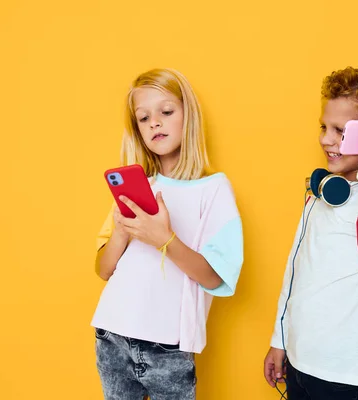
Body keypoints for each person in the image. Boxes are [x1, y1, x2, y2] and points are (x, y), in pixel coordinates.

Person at [92, 68, 244, 400]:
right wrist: (121, 232)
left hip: (167, 346)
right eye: (143, 118)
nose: (154, 123)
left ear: (187, 115)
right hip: (111, 334)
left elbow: (217, 277)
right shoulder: (137, 186)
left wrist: (164, 239)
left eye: (166, 112)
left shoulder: (214, 188)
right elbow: (103, 270)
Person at [263, 65, 358, 400]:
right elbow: (296, 273)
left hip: (348, 377)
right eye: (323, 127)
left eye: (340, 131)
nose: (325, 139)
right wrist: (279, 340)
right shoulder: (322, 194)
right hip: (301, 365)